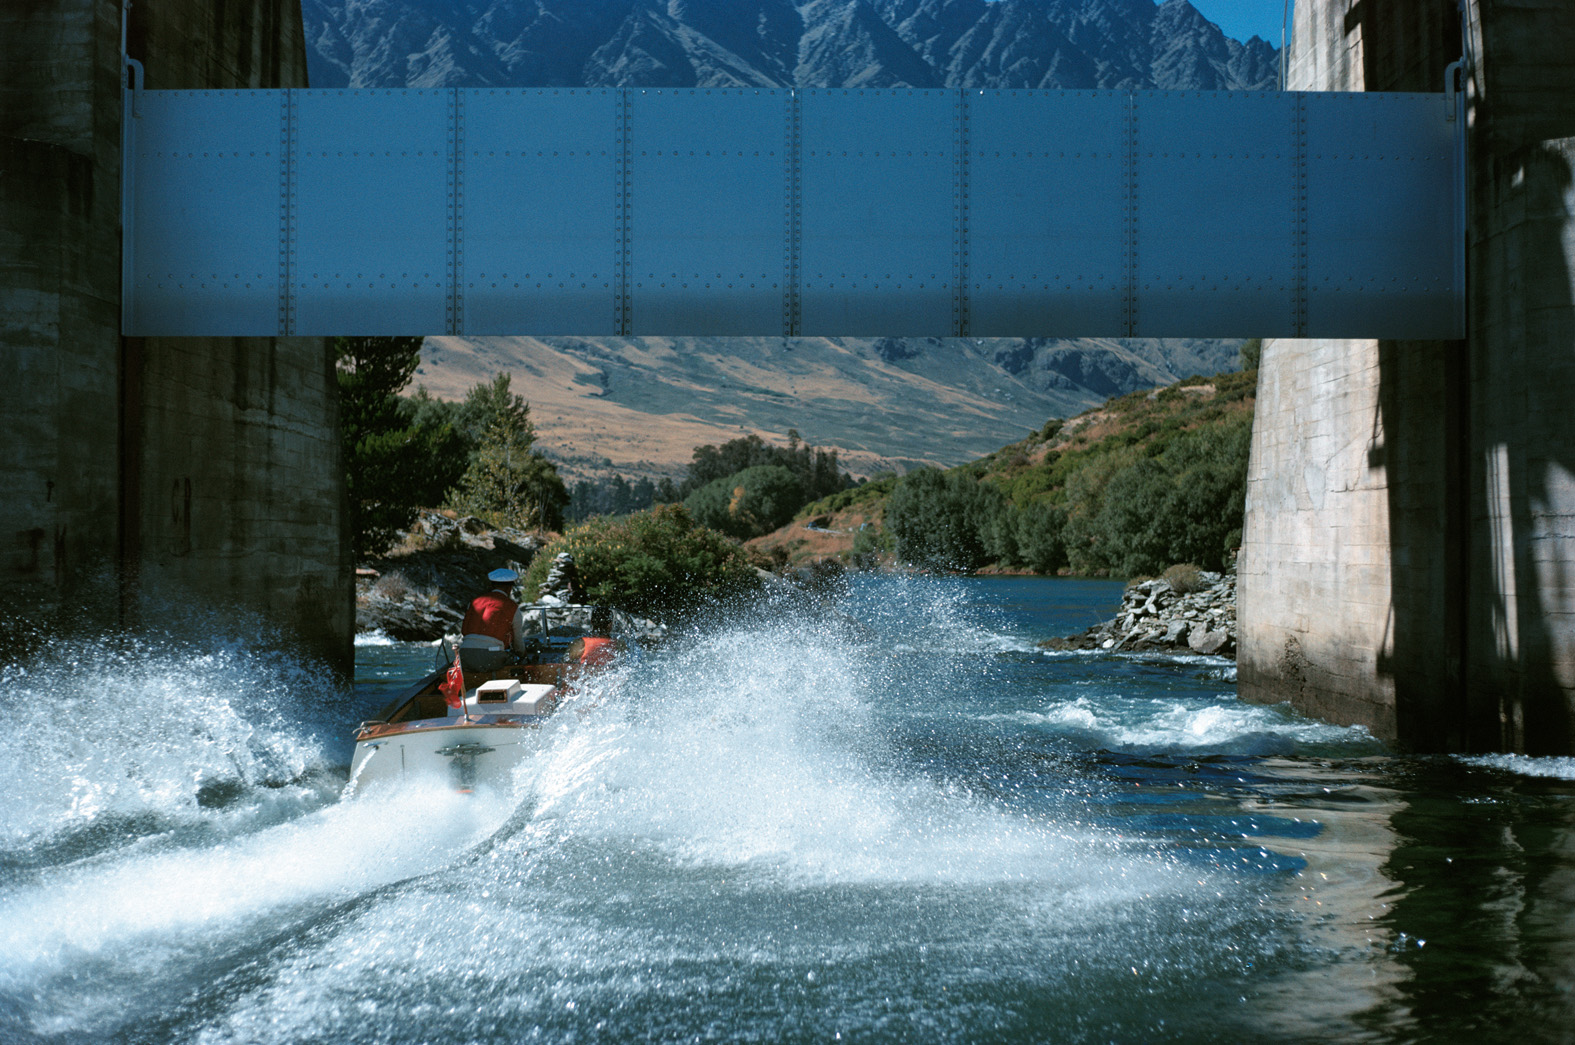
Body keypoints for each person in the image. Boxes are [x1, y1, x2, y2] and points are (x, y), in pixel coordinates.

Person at [458, 567, 520, 671]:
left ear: (491, 585)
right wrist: (523, 655)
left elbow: (465, 631)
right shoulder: (512, 607)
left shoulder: (474, 602)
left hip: (464, 655)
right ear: (509, 588)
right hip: (491, 657)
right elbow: (518, 642)